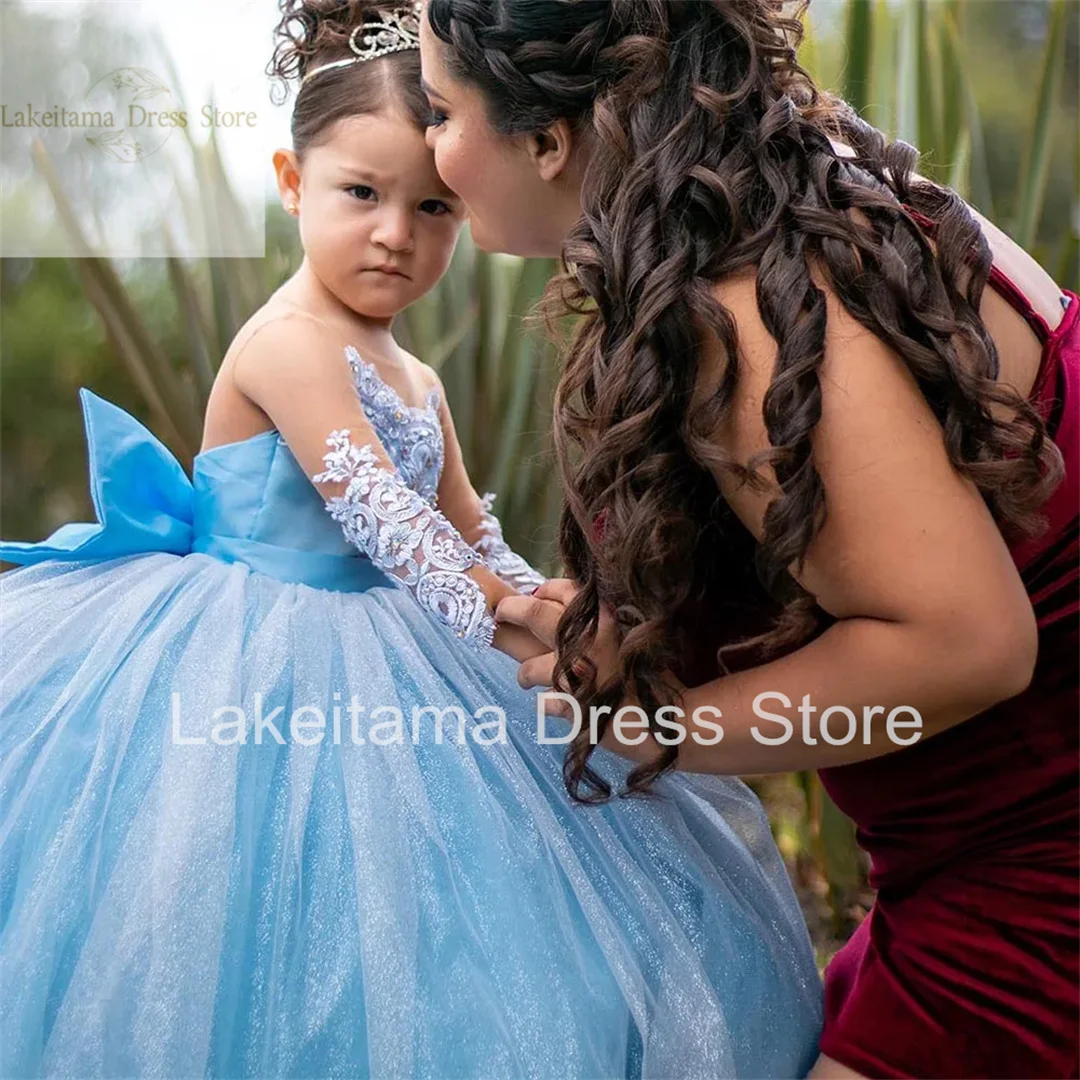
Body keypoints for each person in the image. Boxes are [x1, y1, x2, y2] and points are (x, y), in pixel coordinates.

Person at [0, 2, 824, 1076]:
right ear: (292, 185)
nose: (397, 231)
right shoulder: (289, 342)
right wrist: (514, 610)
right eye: (361, 195)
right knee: (256, 896)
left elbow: (467, 522)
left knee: (451, 898)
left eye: (433, 205)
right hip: (258, 651)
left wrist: (563, 603)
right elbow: (388, 523)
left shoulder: (416, 374)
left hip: (400, 635)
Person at [418, 1, 1080, 1077]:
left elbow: (968, 644)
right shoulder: (794, 185)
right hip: (959, 869)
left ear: (546, 139)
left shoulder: (752, 307)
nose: (426, 146)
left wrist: (660, 729)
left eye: (442, 111)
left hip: (1034, 897)